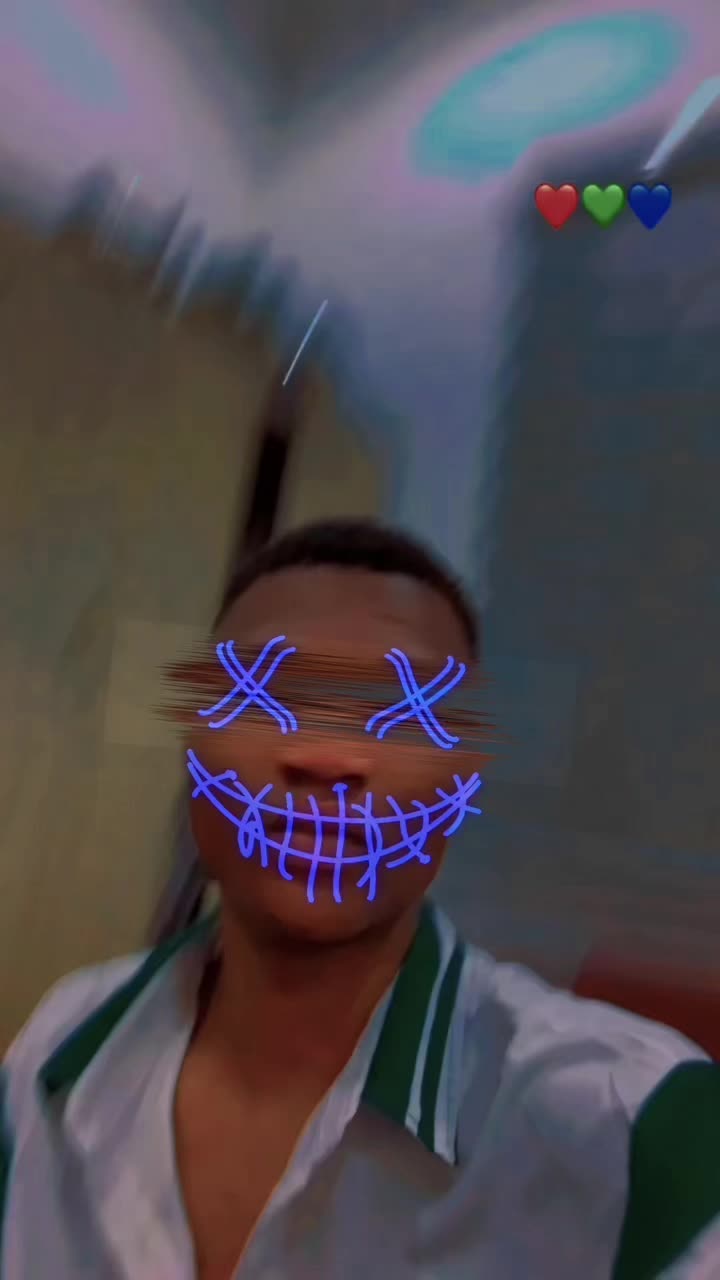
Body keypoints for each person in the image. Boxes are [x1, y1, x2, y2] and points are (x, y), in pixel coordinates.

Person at [1, 517, 718, 1279]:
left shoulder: (630, 1125)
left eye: (405, 709)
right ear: (192, 743)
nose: (328, 756)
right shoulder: (61, 1046)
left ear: (465, 776)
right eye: (266, 691)